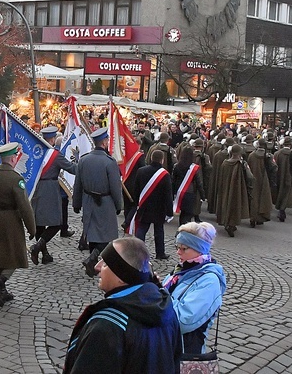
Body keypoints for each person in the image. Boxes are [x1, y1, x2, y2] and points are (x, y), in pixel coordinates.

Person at [63, 237, 182, 374]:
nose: (97, 267)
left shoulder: (107, 325)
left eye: (106, 264)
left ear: (121, 275)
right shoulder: (167, 310)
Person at [0, 142, 36, 306]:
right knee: (15, 256)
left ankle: (1, 292)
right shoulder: (15, 179)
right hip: (11, 220)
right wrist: (31, 228)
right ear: (12, 159)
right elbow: (24, 206)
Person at [162, 222, 227, 355]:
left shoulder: (209, 281)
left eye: (184, 248)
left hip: (185, 352)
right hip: (167, 346)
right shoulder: (181, 270)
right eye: (177, 247)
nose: (178, 252)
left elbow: (184, 320)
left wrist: (158, 295)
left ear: (199, 249)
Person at [73, 127, 124, 277]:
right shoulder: (110, 162)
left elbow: (78, 184)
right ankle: (92, 259)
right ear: (104, 142)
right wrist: (118, 204)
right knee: (108, 235)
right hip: (105, 201)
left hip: (88, 200)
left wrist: (76, 203)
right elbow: (116, 187)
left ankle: (92, 263)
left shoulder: (83, 160)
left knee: (92, 233)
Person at [30, 126, 77, 265]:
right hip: (49, 189)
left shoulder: (36, 152)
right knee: (57, 223)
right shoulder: (55, 155)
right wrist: (80, 160)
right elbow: (72, 168)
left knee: (39, 223)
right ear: (52, 139)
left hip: (36, 188)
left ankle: (44, 254)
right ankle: (38, 247)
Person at [132, 149, 173, 260]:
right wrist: (170, 212)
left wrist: (136, 204)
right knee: (159, 231)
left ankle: (138, 252)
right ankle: (160, 253)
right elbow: (168, 195)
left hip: (144, 206)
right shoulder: (165, 175)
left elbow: (135, 190)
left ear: (151, 158)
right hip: (159, 208)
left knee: (142, 229)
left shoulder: (141, 171)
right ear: (162, 160)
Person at [216, 144, 254, 237]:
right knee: (235, 205)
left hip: (225, 187)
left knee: (225, 203)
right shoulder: (241, 164)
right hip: (238, 188)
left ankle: (226, 222)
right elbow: (250, 177)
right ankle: (231, 224)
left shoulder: (225, 163)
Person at [172, 147, 206, 226]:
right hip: (189, 193)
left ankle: (181, 229)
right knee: (187, 215)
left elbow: (173, 180)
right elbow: (199, 183)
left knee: (182, 214)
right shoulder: (194, 168)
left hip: (179, 192)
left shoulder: (176, 166)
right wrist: (202, 195)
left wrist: (173, 193)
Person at [246, 137, 276, 226]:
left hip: (253, 179)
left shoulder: (252, 155)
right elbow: (274, 168)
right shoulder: (268, 156)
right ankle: (261, 217)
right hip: (265, 180)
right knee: (264, 198)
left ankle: (252, 218)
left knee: (254, 198)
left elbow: (248, 167)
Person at [273, 136, 292, 222]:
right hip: (289, 177)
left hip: (278, 176)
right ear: (291, 144)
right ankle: (282, 209)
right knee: (286, 193)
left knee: (278, 192)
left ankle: (279, 207)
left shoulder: (277, 153)